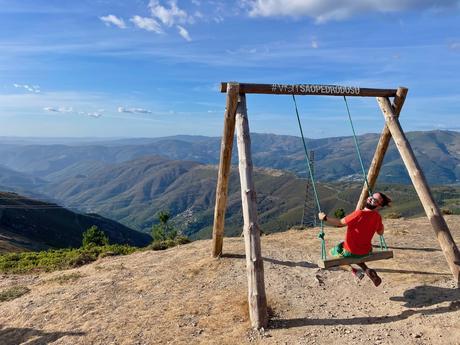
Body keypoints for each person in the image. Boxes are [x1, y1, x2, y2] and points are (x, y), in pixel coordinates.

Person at [318, 192, 392, 287]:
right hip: (366, 251)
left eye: (375, 200)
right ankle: (366, 269)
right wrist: (379, 224)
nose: (371, 199)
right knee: (351, 249)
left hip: (350, 251)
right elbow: (380, 233)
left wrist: (324, 218)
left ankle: (353, 270)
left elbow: (340, 223)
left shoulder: (359, 213)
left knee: (333, 253)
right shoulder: (377, 217)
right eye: (372, 196)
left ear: (378, 205)